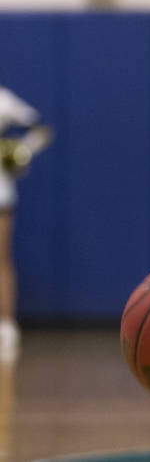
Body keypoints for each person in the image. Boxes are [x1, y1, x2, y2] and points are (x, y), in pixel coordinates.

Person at [0, 83, 52, 362]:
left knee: (1, 259)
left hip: (1, 193)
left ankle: (6, 327)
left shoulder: (4, 100)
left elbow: (41, 127)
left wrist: (20, 150)